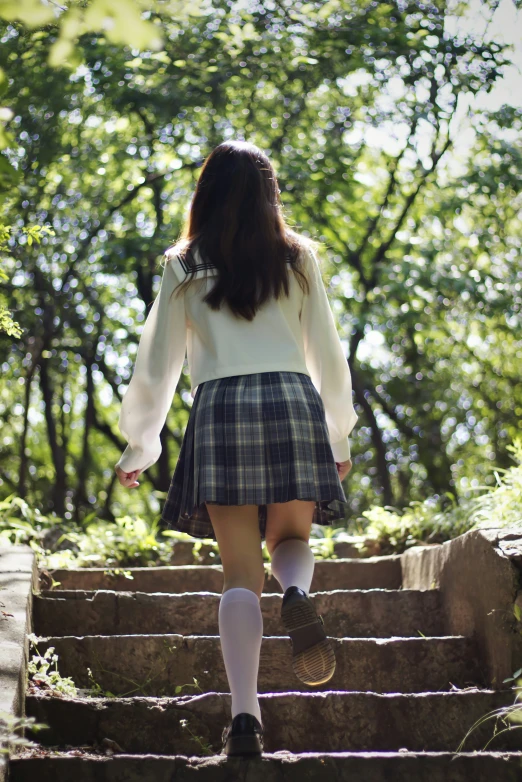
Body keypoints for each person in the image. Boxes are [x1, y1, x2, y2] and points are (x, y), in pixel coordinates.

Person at [114, 140, 357, 758]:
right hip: (292, 401)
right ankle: (296, 593)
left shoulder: (185, 264)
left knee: (239, 572)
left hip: (222, 408)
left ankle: (244, 718)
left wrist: (138, 446)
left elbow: (158, 362)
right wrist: (339, 432)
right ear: (269, 196)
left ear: (207, 194)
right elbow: (327, 350)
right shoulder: (298, 258)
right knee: (292, 543)